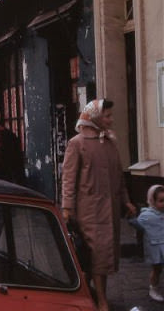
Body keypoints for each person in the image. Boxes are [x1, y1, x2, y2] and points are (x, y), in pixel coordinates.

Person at [61, 98, 136, 311]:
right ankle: (102, 301)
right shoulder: (77, 143)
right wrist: (67, 209)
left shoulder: (109, 142)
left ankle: (84, 292)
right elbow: (68, 178)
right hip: (89, 211)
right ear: (94, 117)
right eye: (107, 115)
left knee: (101, 257)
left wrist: (126, 201)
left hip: (109, 210)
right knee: (96, 255)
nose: (111, 119)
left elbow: (119, 176)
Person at [137, 184, 164, 302]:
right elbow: (138, 224)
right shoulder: (146, 215)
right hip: (155, 247)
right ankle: (153, 288)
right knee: (157, 269)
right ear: (152, 201)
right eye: (161, 201)